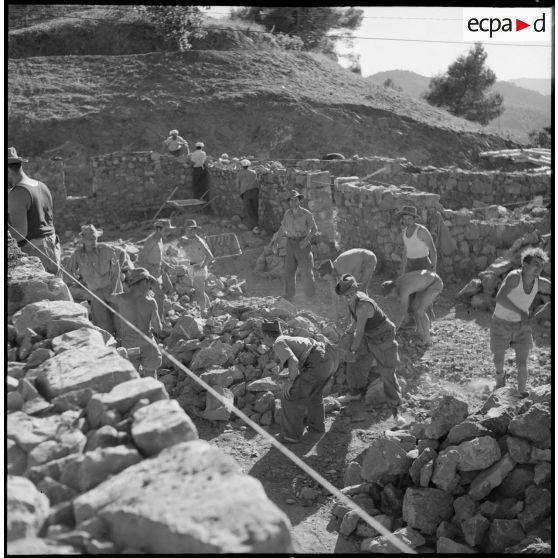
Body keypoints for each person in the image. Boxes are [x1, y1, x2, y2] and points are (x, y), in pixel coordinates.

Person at [336, 274, 407, 426]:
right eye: (345, 295)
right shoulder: (352, 302)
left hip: (383, 337)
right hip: (369, 336)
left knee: (387, 371)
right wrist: (347, 335)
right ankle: (355, 393)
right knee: (355, 363)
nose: (347, 296)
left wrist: (352, 349)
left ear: (355, 289)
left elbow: (359, 331)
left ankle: (396, 411)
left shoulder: (363, 306)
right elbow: (355, 323)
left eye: (350, 293)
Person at [261, 319, 339, 443]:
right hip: (330, 358)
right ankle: (317, 428)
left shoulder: (278, 343)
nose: (263, 341)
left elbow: (293, 362)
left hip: (317, 361)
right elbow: (293, 359)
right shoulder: (286, 339)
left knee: (290, 395)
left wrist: (290, 381)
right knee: (314, 395)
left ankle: (291, 436)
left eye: (263, 337)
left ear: (267, 336)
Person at [490, 247, 550, 397]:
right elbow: (500, 298)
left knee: (522, 362)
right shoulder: (514, 277)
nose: (539, 268)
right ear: (525, 264)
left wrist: (543, 311)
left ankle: (521, 393)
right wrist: (521, 311)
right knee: (498, 357)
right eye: (535, 263)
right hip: (501, 323)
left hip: (522, 326)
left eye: (541, 265)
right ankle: (500, 379)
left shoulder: (541, 283)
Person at [66, 224, 133, 335]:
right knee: (104, 325)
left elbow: (122, 253)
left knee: (120, 320)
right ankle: (111, 347)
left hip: (112, 289)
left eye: (95, 239)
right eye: (90, 239)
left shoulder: (105, 249)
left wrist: (116, 270)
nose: (93, 241)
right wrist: (74, 279)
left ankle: (124, 343)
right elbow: (69, 271)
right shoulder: (78, 255)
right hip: (96, 293)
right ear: (83, 240)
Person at [7, 147, 62, 276]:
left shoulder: (18, 193)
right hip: (52, 248)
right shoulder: (41, 186)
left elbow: (19, 232)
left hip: (35, 252)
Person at [109, 268, 164, 379]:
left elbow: (108, 296)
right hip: (147, 344)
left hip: (129, 345)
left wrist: (115, 275)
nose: (150, 287)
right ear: (144, 282)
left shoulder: (122, 298)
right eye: (149, 283)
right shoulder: (150, 302)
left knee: (132, 378)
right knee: (151, 376)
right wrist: (160, 299)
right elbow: (158, 329)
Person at [272, 189, 318, 301]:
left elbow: (314, 229)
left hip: (303, 244)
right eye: (291, 200)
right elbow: (282, 228)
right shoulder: (287, 213)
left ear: (299, 201)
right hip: (290, 244)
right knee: (288, 270)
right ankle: (289, 295)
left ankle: (311, 296)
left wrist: (306, 240)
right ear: (289, 202)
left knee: (306, 271)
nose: (294, 202)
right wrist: (276, 242)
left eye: (295, 200)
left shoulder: (307, 214)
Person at [397, 205, 437, 325]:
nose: (407, 221)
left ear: (414, 219)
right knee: (408, 294)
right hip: (410, 265)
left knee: (423, 295)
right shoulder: (404, 232)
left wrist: (433, 269)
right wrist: (402, 272)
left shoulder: (422, 231)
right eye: (405, 218)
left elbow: (433, 250)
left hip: (423, 264)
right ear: (402, 219)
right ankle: (411, 322)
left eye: (410, 218)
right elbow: (405, 252)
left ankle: (428, 324)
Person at [381, 270, 444, 346]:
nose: (391, 298)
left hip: (435, 284)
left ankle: (427, 339)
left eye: (390, 296)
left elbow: (402, 312)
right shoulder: (398, 282)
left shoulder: (404, 289)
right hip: (427, 282)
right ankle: (419, 330)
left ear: (392, 290)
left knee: (420, 311)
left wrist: (393, 332)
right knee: (415, 306)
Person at [136, 219, 179, 319]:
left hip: (158, 269)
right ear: (159, 230)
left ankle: (153, 299)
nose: (168, 233)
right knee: (160, 297)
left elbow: (157, 256)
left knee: (169, 287)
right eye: (166, 230)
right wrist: (146, 275)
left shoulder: (160, 239)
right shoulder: (151, 241)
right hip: (150, 271)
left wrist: (166, 264)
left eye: (169, 230)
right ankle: (159, 320)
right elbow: (142, 258)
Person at [318, 248, 378, 318]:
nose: (330, 281)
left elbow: (349, 291)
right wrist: (336, 313)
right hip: (358, 263)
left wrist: (347, 314)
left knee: (361, 288)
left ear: (331, 273)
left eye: (329, 279)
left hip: (368, 259)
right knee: (353, 293)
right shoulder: (333, 268)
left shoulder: (343, 269)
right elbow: (334, 292)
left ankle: (368, 314)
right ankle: (358, 314)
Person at [178, 219, 214, 315]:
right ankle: (210, 307)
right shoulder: (188, 240)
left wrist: (201, 266)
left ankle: (203, 312)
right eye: (188, 229)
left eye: (192, 229)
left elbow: (210, 256)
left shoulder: (199, 241)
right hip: (192, 266)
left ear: (195, 230)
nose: (190, 231)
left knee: (199, 292)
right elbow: (181, 242)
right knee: (199, 290)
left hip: (199, 267)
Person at [236, 158, 261, 233]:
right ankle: (256, 226)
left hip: (246, 192)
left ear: (242, 166)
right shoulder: (253, 172)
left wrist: (239, 192)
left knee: (248, 209)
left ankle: (250, 226)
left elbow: (237, 184)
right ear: (249, 165)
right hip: (255, 191)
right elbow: (257, 181)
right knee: (255, 208)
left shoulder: (240, 173)